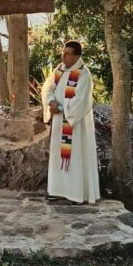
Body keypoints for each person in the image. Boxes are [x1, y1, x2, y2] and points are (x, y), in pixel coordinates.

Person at [40, 40, 100, 204]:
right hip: (59, 122)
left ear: (77, 56)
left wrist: (61, 108)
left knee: (75, 157)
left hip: (75, 124)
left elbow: (81, 101)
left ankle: (76, 194)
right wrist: (51, 101)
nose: (63, 56)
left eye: (67, 54)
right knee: (57, 155)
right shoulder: (59, 69)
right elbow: (47, 88)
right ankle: (56, 190)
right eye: (63, 52)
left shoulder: (83, 74)